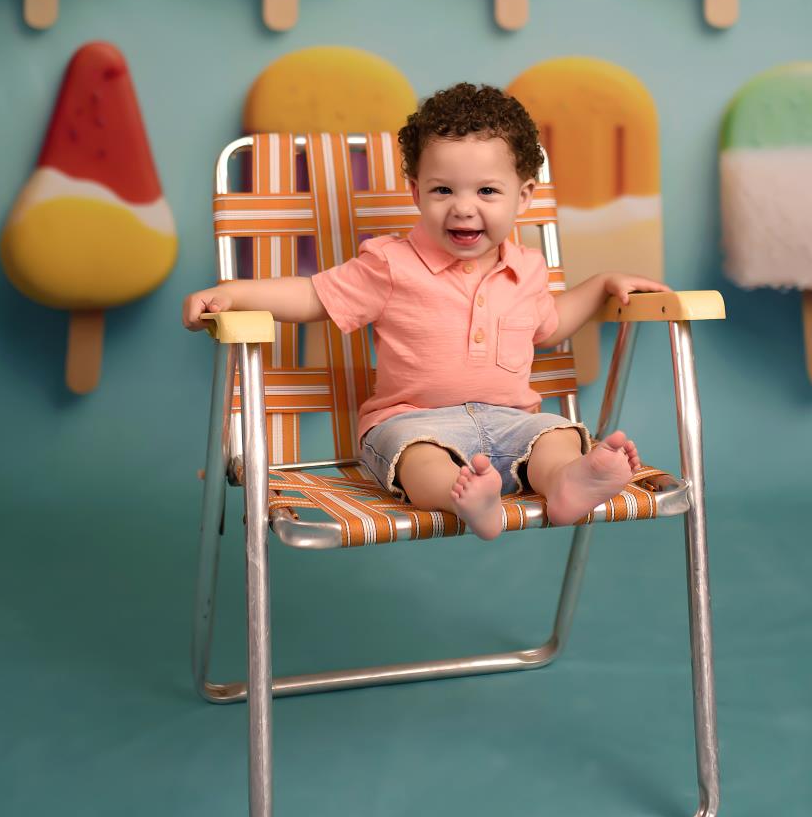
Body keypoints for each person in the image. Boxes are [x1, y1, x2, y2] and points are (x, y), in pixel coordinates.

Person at [182, 83, 669, 541]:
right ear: (416, 192)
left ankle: (567, 483)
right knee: (420, 461)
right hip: (411, 421)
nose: (462, 208)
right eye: (443, 191)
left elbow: (552, 324)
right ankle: (468, 501)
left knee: (554, 436)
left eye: (486, 191)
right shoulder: (391, 263)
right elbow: (313, 296)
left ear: (523, 196)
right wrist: (233, 293)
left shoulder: (528, 269)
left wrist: (601, 284)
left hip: (511, 420)